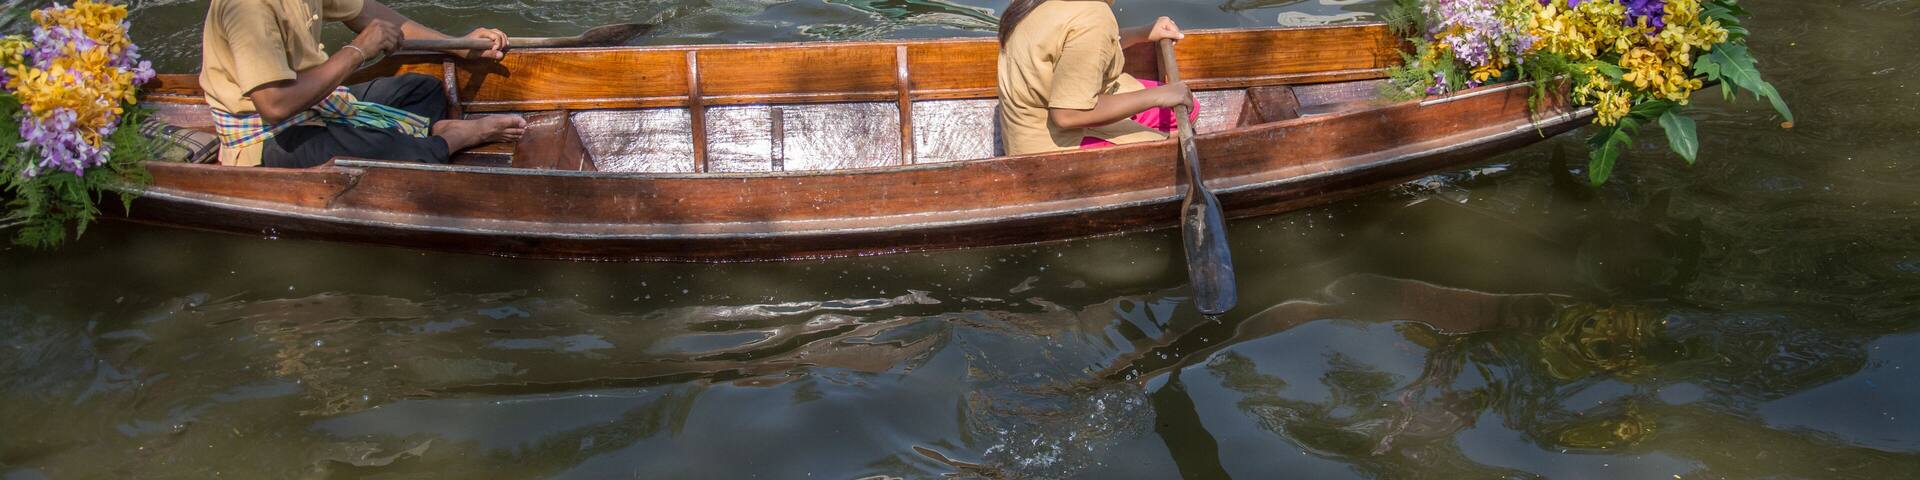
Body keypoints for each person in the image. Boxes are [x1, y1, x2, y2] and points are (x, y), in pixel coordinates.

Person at [199, 0, 527, 168]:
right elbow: (274, 106)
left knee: (421, 89)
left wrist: (457, 44)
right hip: (267, 135)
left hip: (316, 102)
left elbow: (367, 13)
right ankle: (448, 140)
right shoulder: (248, 7)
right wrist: (357, 51)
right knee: (383, 152)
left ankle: (423, 137)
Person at [996, 0, 1194, 156]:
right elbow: (1067, 115)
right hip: (1048, 147)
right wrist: (1156, 96)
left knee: (1189, 109)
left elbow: (1078, 45)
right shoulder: (1094, 17)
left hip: (1024, 127)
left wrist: (1142, 33)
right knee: (1170, 153)